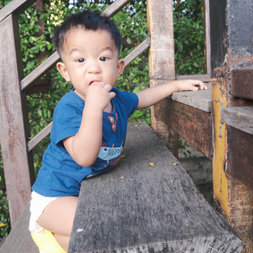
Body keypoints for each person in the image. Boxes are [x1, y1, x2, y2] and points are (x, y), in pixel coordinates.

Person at [28, 10, 207, 252]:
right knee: (100, 229)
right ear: (65, 71)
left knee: (104, 237)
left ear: (119, 66)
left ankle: (60, 238)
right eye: (80, 60)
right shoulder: (69, 108)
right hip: (55, 196)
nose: (93, 68)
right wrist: (93, 108)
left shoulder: (118, 99)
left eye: (103, 58)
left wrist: (174, 85)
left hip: (87, 190)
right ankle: (48, 236)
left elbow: (142, 98)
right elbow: (84, 156)